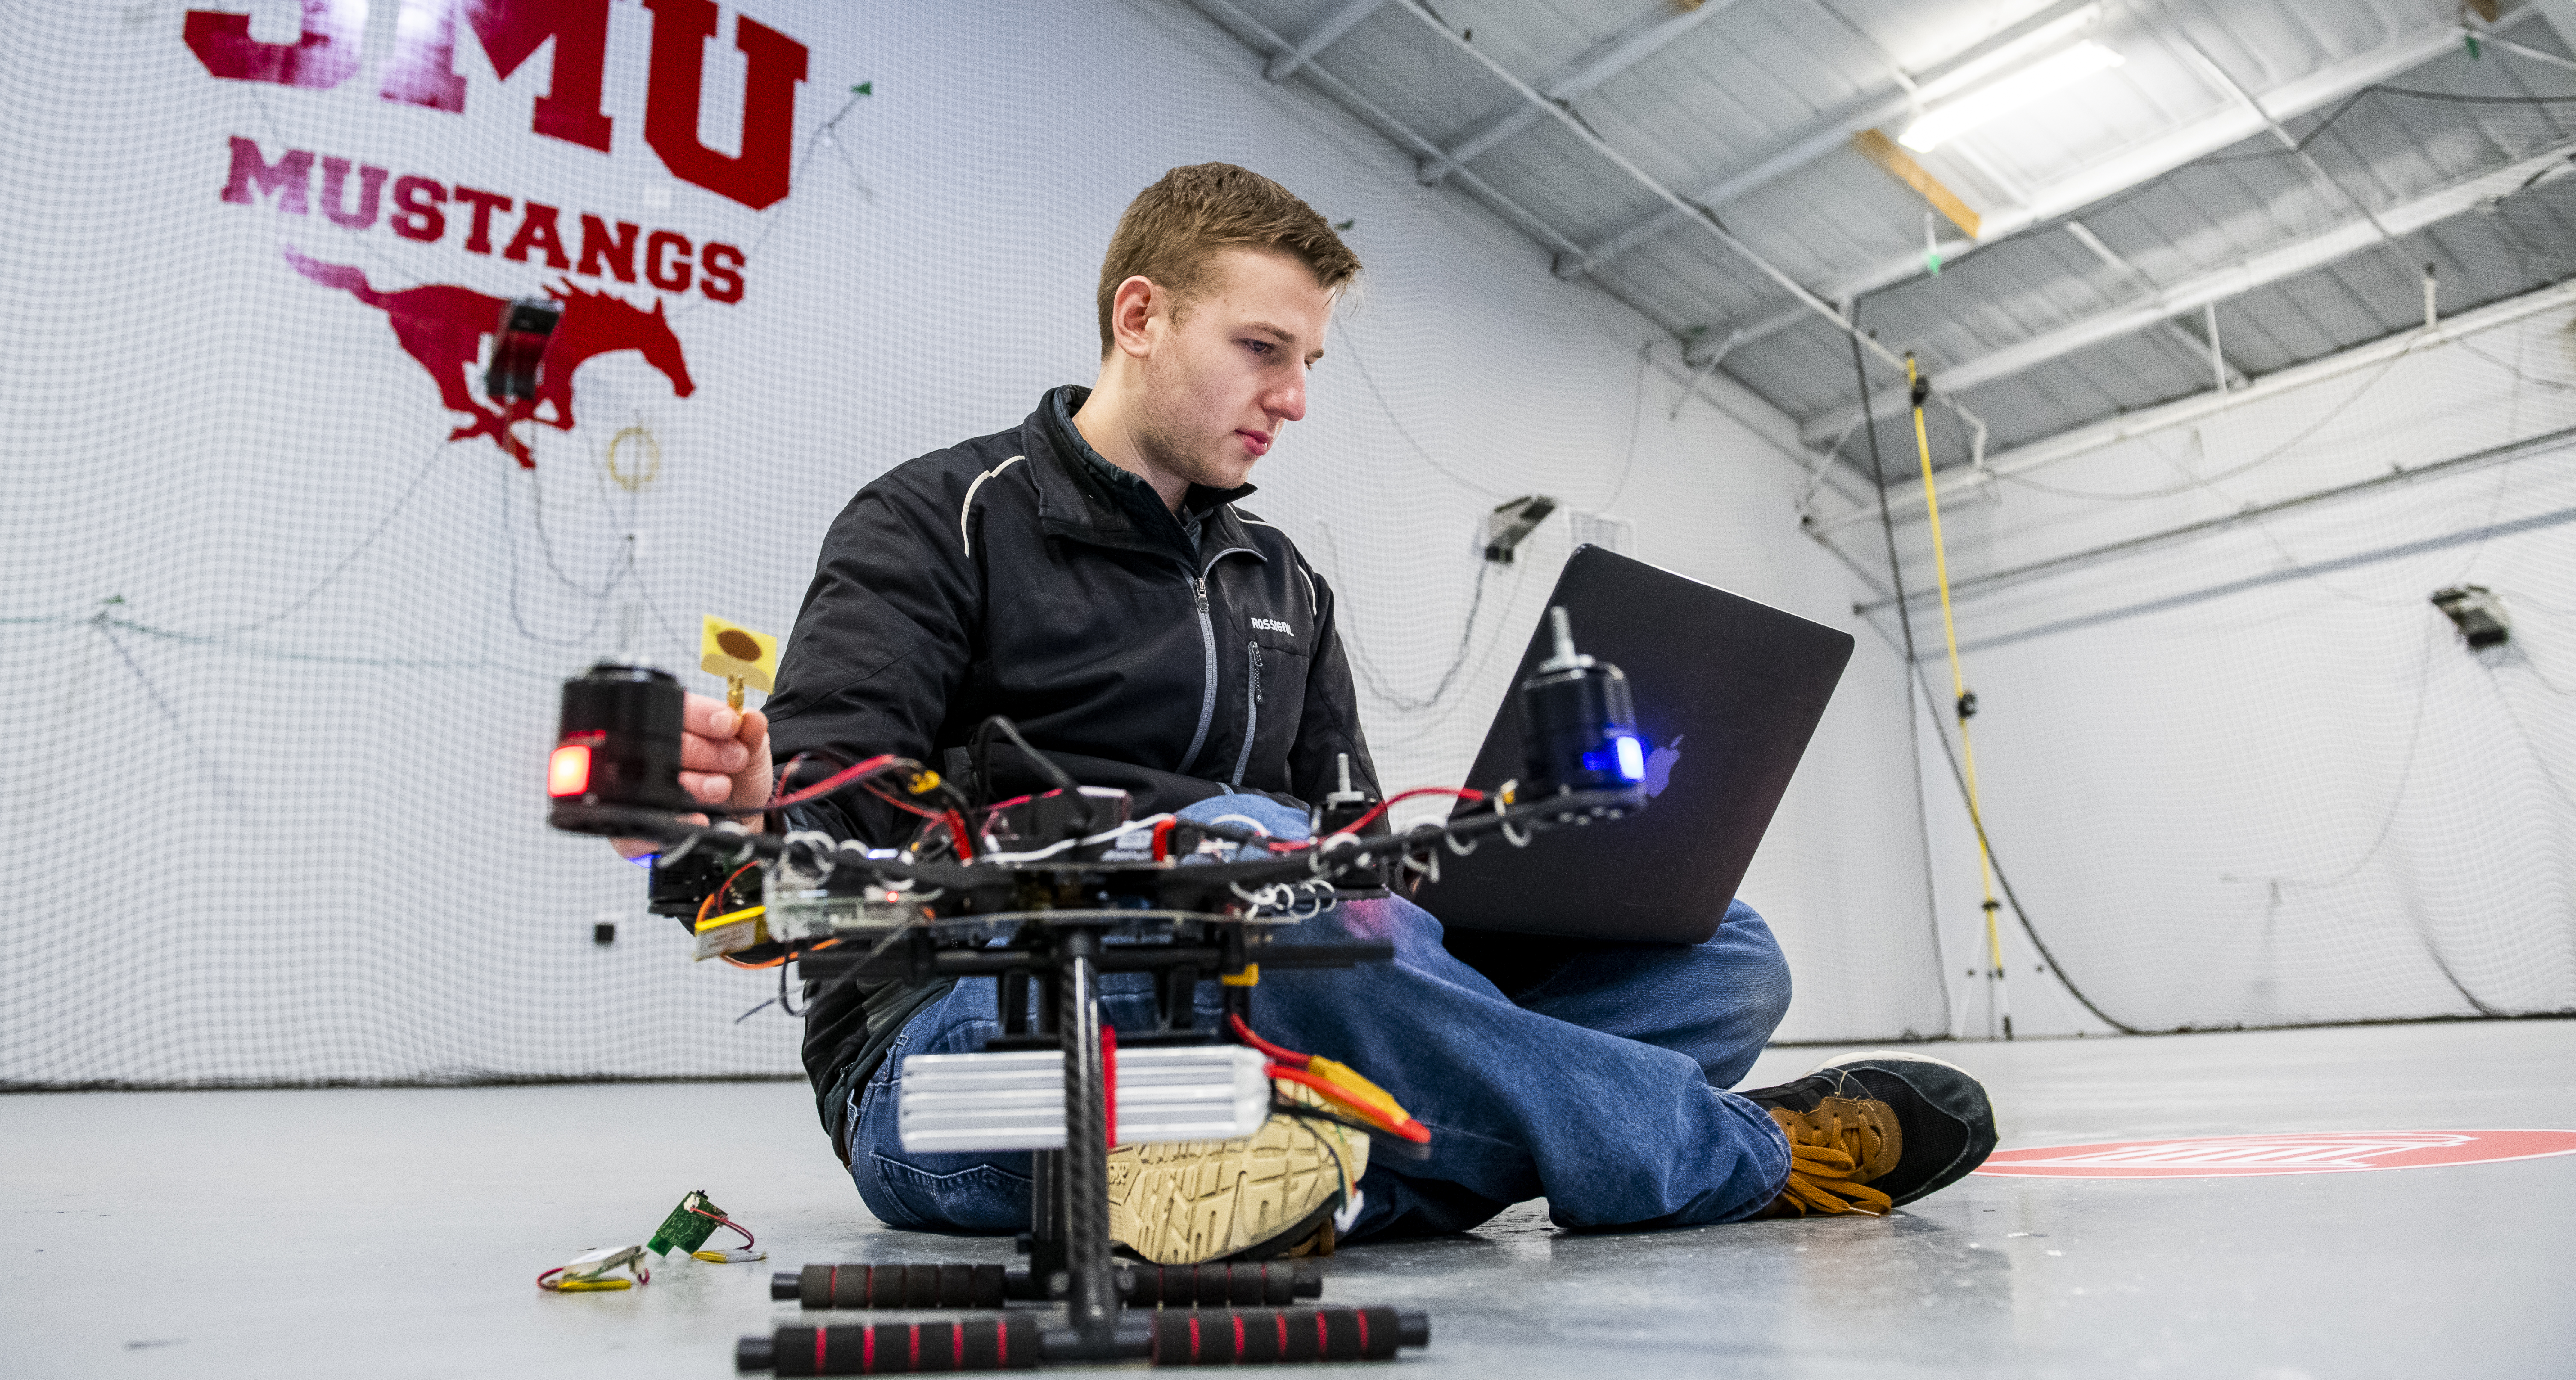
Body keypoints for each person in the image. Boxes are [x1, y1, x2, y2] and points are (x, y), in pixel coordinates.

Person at [650, 162, 1996, 1262]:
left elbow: (1361, 880)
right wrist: (758, 808)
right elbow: (827, 835)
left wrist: (1507, 872)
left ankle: (1293, 1177)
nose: (1294, 397)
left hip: (1252, 1001)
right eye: (1262, 350)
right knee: (1254, 862)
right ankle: (1710, 1153)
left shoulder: (1283, 585)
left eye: (1308, 360)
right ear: (1141, 317)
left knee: (1727, 955)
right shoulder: (932, 519)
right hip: (959, 1050)